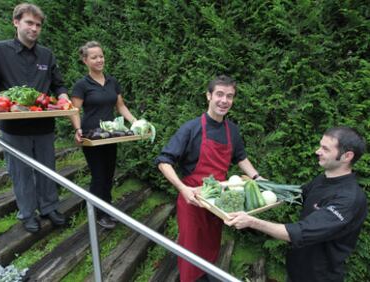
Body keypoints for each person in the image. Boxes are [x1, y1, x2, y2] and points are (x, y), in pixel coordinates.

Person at [155, 75, 264, 282]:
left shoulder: (232, 130)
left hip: (218, 203)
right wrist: (182, 188)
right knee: (190, 250)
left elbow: (241, 157)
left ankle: (205, 276)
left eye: (229, 96)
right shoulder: (191, 128)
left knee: (211, 245)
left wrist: (257, 178)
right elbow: (164, 161)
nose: (224, 100)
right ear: (209, 96)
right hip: (193, 201)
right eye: (220, 94)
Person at [0, 3, 69, 233]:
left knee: (47, 168)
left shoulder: (47, 54)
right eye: (29, 23)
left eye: (38, 25)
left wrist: (64, 100)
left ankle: (49, 207)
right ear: (16, 22)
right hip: (15, 128)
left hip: (44, 124)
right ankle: (27, 213)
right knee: (20, 171)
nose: (34, 28)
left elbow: (58, 85)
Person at [225, 126, 367, 282]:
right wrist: (261, 183)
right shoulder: (323, 180)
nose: (317, 151)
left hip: (319, 278)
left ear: (347, 156)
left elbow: (299, 232)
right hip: (296, 271)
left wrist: (251, 221)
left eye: (325, 149)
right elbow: (296, 195)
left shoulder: (349, 199)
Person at [70, 41, 137, 229]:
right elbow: (74, 110)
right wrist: (77, 130)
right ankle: (99, 213)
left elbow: (121, 106)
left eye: (101, 56)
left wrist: (136, 123)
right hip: (91, 137)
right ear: (85, 60)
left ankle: (107, 208)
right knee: (98, 175)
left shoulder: (112, 81)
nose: (99, 60)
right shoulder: (81, 85)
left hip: (110, 135)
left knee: (108, 173)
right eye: (94, 57)